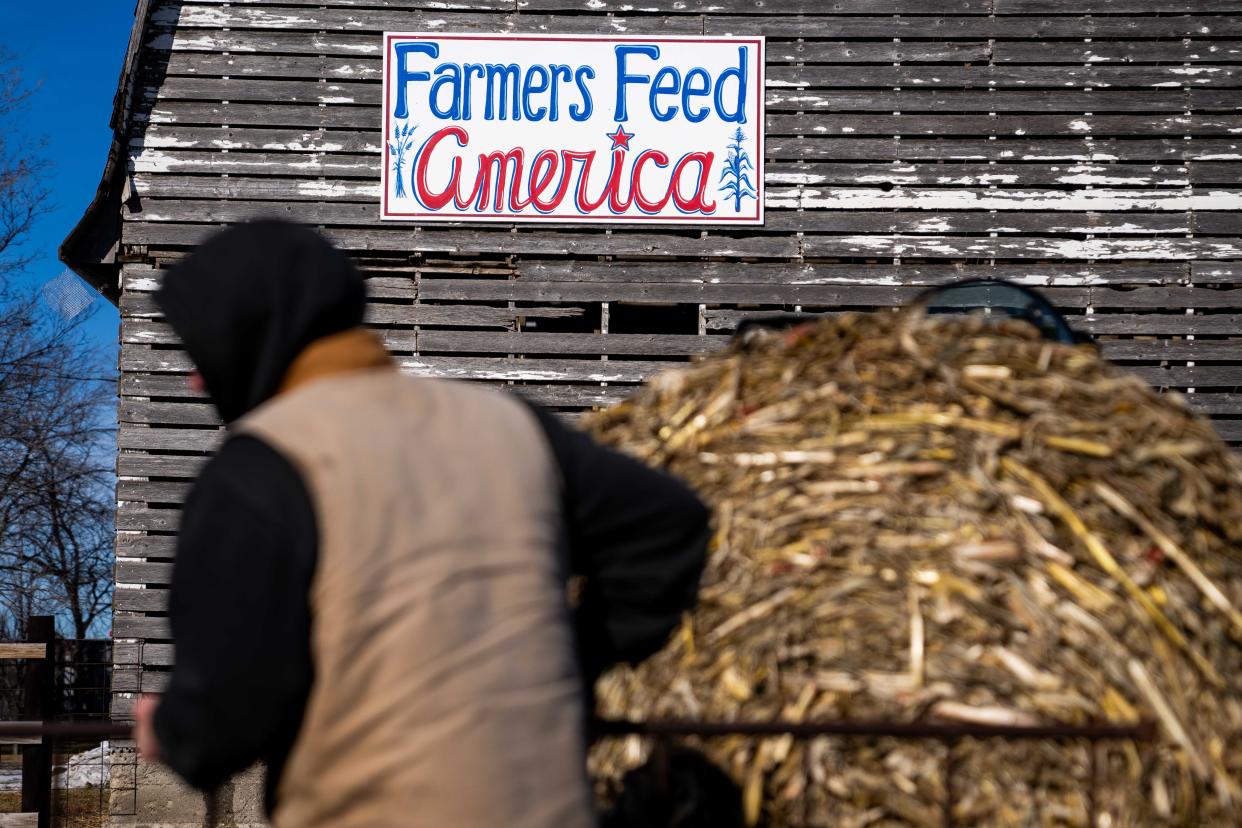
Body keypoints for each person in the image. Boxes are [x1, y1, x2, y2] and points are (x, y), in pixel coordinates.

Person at [131, 220, 711, 828]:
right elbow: (670, 526)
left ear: (248, 338)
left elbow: (228, 715)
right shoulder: (507, 423)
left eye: (201, 353)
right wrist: (573, 655)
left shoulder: (260, 467)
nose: (195, 380)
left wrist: (173, 730)